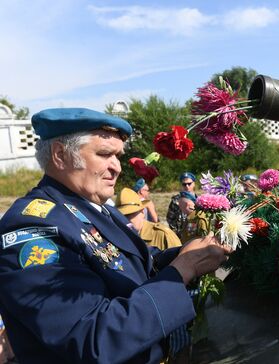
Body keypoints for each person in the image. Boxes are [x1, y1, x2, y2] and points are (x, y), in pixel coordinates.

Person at [0, 108, 230, 363]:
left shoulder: (94, 208)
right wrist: (182, 270)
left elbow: (136, 262)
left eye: (117, 156)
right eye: (104, 154)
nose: (117, 167)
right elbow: (94, 339)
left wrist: (192, 254)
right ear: (60, 155)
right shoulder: (31, 227)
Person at [116, 187, 181, 251]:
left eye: (130, 214)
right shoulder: (116, 237)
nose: (125, 219)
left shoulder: (163, 236)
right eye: (121, 215)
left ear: (142, 212)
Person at [167, 172, 197, 238]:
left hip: (195, 235)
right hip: (180, 236)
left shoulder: (199, 200)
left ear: (194, 183)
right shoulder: (175, 200)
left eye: (189, 184)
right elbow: (170, 218)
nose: (187, 186)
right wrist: (176, 233)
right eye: (184, 184)